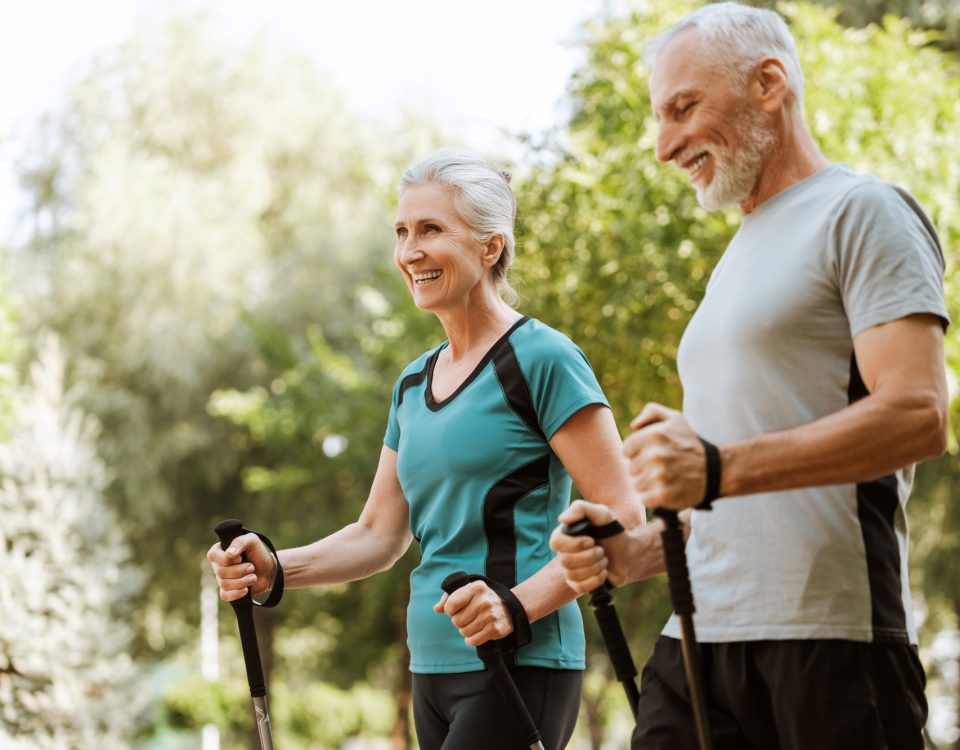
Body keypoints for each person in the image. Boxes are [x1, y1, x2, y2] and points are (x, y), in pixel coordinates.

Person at [550, 3, 949, 749]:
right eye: (660, 119)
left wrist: (716, 467)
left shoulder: (863, 211)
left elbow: (919, 415)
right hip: (698, 640)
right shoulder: (735, 259)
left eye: (683, 108)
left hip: (830, 641)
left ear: (769, 83)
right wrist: (632, 552)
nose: (664, 146)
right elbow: (725, 494)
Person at [209, 149, 643, 749]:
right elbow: (378, 535)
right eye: (402, 232)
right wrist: (277, 569)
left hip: (519, 659)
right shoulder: (413, 383)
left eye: (431, 229)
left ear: (491, 247)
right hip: (432, 669)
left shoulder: (542, 359)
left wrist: (516, 606)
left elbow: (623, 514)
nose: (410, 251)